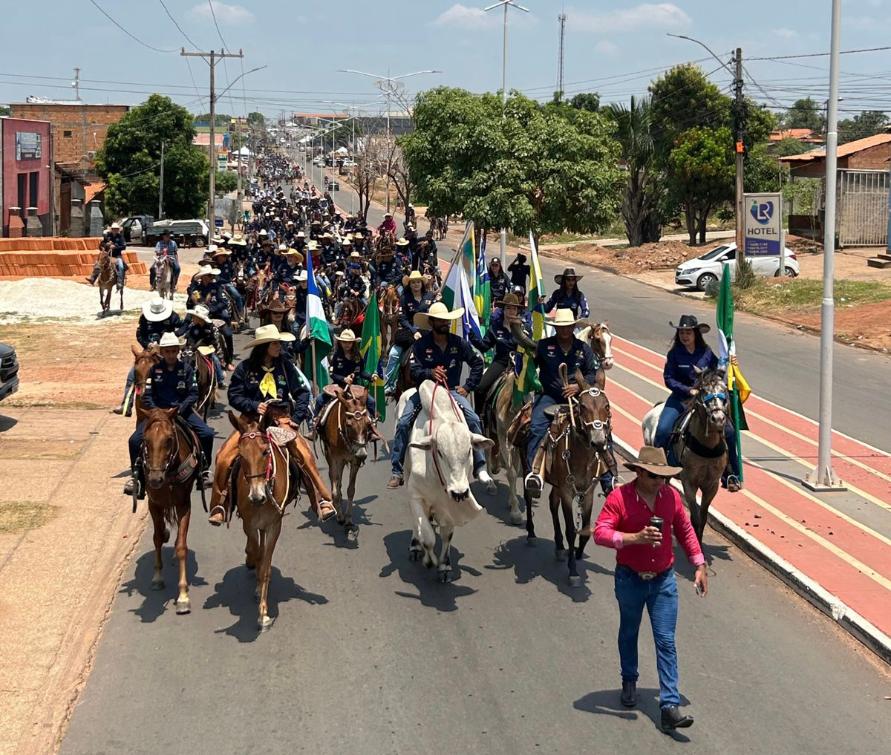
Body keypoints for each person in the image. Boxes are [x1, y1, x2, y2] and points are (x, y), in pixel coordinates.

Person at [593, 446, 707, 732]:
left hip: (663, 580)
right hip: (629, 578)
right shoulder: (619, 497)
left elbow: (684, 529)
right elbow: (600, 533)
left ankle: (669, 705)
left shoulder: (670, 497)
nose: (661, 482)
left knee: (666, 641)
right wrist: (634, 538)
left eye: (664, 477)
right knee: (629, 632)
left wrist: (699, 563)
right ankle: (629, 679)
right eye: (654, 476)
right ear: (640, 473)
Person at [208, 324, 335, 525]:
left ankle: (321, 499)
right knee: (223, 456)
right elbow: (233, 395)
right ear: (265, 346)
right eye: (275, 343)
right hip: (250, 423)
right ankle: (219, 505)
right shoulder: (245, 368)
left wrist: (296, 419)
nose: (279, 346)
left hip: (280, 420)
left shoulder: (285, 366)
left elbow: (302, 392)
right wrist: (253, 404)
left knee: (304, 454)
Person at [387, 302, 493, 489]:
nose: (445, 323)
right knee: (403, 422)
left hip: (451, 391)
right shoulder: (420, 346)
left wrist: (468, 387)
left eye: (447, 320)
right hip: (425, 392)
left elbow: (477, 363)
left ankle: (480, 465)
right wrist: (430, 373)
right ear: (432, 322)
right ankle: (397, 470)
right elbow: (414, 371)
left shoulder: (459, 343)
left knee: (473, 418)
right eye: (441, 320)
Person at [652, 315, 741, 492]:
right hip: (680, 398)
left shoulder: (706, 352)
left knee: (729, 432)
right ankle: (660, 469)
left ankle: (731, 474)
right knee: (662, 430)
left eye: (688, 332)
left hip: (704, 401)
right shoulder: (675, 354)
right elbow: (668, 378)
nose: (685, 336)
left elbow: (718, 371)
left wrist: (728, 368)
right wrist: (687, 390)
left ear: (696, 334)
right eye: (682, 332)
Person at [126, 332, 215, 498]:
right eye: (167, 351)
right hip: (158, 414)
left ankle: (204, 471)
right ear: (163, 352)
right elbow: (148, 395)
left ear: (177, 351)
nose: (171, 354)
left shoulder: (186, 369)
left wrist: (180, 408)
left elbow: (193, 393)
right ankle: (136, 478)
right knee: (134, 440)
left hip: (181, 411)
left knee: (207, 434)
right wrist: (155, 411)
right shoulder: (154, 371)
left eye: (174, 351)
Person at [523, 309, 599, 498]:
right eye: (561, 327)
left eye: (568, 326)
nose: (565, 330)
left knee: (600, 425)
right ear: (556, 328)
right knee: (535, 427)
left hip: (578, 399)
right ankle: (535, 474)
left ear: (573, 327)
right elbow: (528, 363)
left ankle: (608, 476)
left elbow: (593, 374)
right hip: (549, 396)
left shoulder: (584, 349)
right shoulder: (543, 346)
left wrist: (578, 387)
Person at [306, 329, 382, 441]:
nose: (347, 345)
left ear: (353, 343)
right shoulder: (336, 356)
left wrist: (371, 377)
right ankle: (314, 426)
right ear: (340, 343)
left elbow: (361, 372)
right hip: (339, 386)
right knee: (320, 400)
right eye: (344, 342)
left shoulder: (357, 357)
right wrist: (344, 379)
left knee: (371, 401)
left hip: (355, 388)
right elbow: (332, 374)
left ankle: (372, 428)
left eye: (349, 342)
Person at [114, 296, 182, 416]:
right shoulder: (145, 318)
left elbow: (180, 329)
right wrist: (147, 344)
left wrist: (168, 341)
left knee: (181, 369)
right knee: (133, 374)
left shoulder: (173, 316)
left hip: (168, 351)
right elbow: (140, 334)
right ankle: (127, 404)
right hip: (148, 350)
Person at [470, 293, 525, 412]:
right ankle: (480, 418)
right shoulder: (495, 327)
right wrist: (470, 334)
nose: (511, 311)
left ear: (517, 311)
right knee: (479, 388)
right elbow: (484, 346)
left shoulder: (523, 328)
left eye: (514, 308)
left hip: (521, 365)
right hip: (501, 362)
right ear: (503, 310)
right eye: (508, 308)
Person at [384, 270, 432, 392]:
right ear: (409, 285)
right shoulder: (405, 298)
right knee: (393, 354)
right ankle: (390, 384)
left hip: (427, 332)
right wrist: (413, 330)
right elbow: (402, 318)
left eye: (418, 282)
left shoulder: (430, 297)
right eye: (413, 282)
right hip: (409, 332)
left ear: (422, 283)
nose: (416, 284)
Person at [177, 304, 226, 385]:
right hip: (193, 348)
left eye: (194, 316)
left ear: (200, 318)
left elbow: (214, 341)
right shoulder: (193, 326)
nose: (192, 318)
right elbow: (188, 336)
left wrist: (206, 345)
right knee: (180, 357)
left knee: (215, 359)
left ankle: (220, 380)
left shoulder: (211, 328)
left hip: (206, 349)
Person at [86, 222, 127, 287]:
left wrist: (115, 247)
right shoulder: (108, 236)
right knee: (98, 264)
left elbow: (124, 247)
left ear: (118, 230)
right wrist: (106, 245)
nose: (115, 230)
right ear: (112, 229)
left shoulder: (120, 237)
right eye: (113, 229)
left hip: (116, 256)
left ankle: (120, 282)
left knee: (121, 266)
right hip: (107, 256)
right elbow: (101, 245)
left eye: (116, 229)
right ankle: (92, 279)